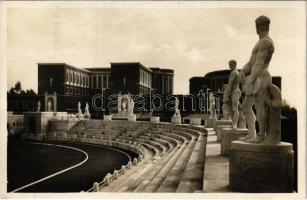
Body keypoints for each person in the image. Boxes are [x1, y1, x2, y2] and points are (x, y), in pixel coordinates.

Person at [239, 15, 274, 143]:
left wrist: (250, 79)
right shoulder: (259, 42)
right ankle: (251, 133)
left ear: (263, 26)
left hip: (261, 76)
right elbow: (251, 62)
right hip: (254, 76)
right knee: (246, 107)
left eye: (257, 25)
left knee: (259, 106)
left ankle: (261, 135)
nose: (256, 28)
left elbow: (259, 64)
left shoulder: (266, 42)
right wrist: (243, 71)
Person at [223, 60, 241, 128]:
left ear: (234, 64)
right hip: (233, 92)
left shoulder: (234, 72)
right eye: (229, 64)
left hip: (235, 91)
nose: (229, 66)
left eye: (230, 64)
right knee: (230, 108)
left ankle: (235, 124)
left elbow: (230, 84)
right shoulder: (236, 72)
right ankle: (234, 123)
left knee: (234, 108)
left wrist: (226, 95)